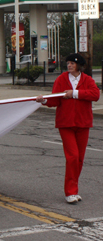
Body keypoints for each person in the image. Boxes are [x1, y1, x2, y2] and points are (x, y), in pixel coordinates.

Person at [36, 53, 100, 204]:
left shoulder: (87, 80)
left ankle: (74, 190)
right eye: (68, 63)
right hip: (66, 124)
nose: (69, 65)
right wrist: (44, 100)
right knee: (72, 157)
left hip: (83, 124)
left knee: (79, 159)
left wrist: (74, 93)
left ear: (79, 65)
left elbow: (95, 94)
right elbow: (55, 100)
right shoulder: (61, 79)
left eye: (72, 63)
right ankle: (70, 192)